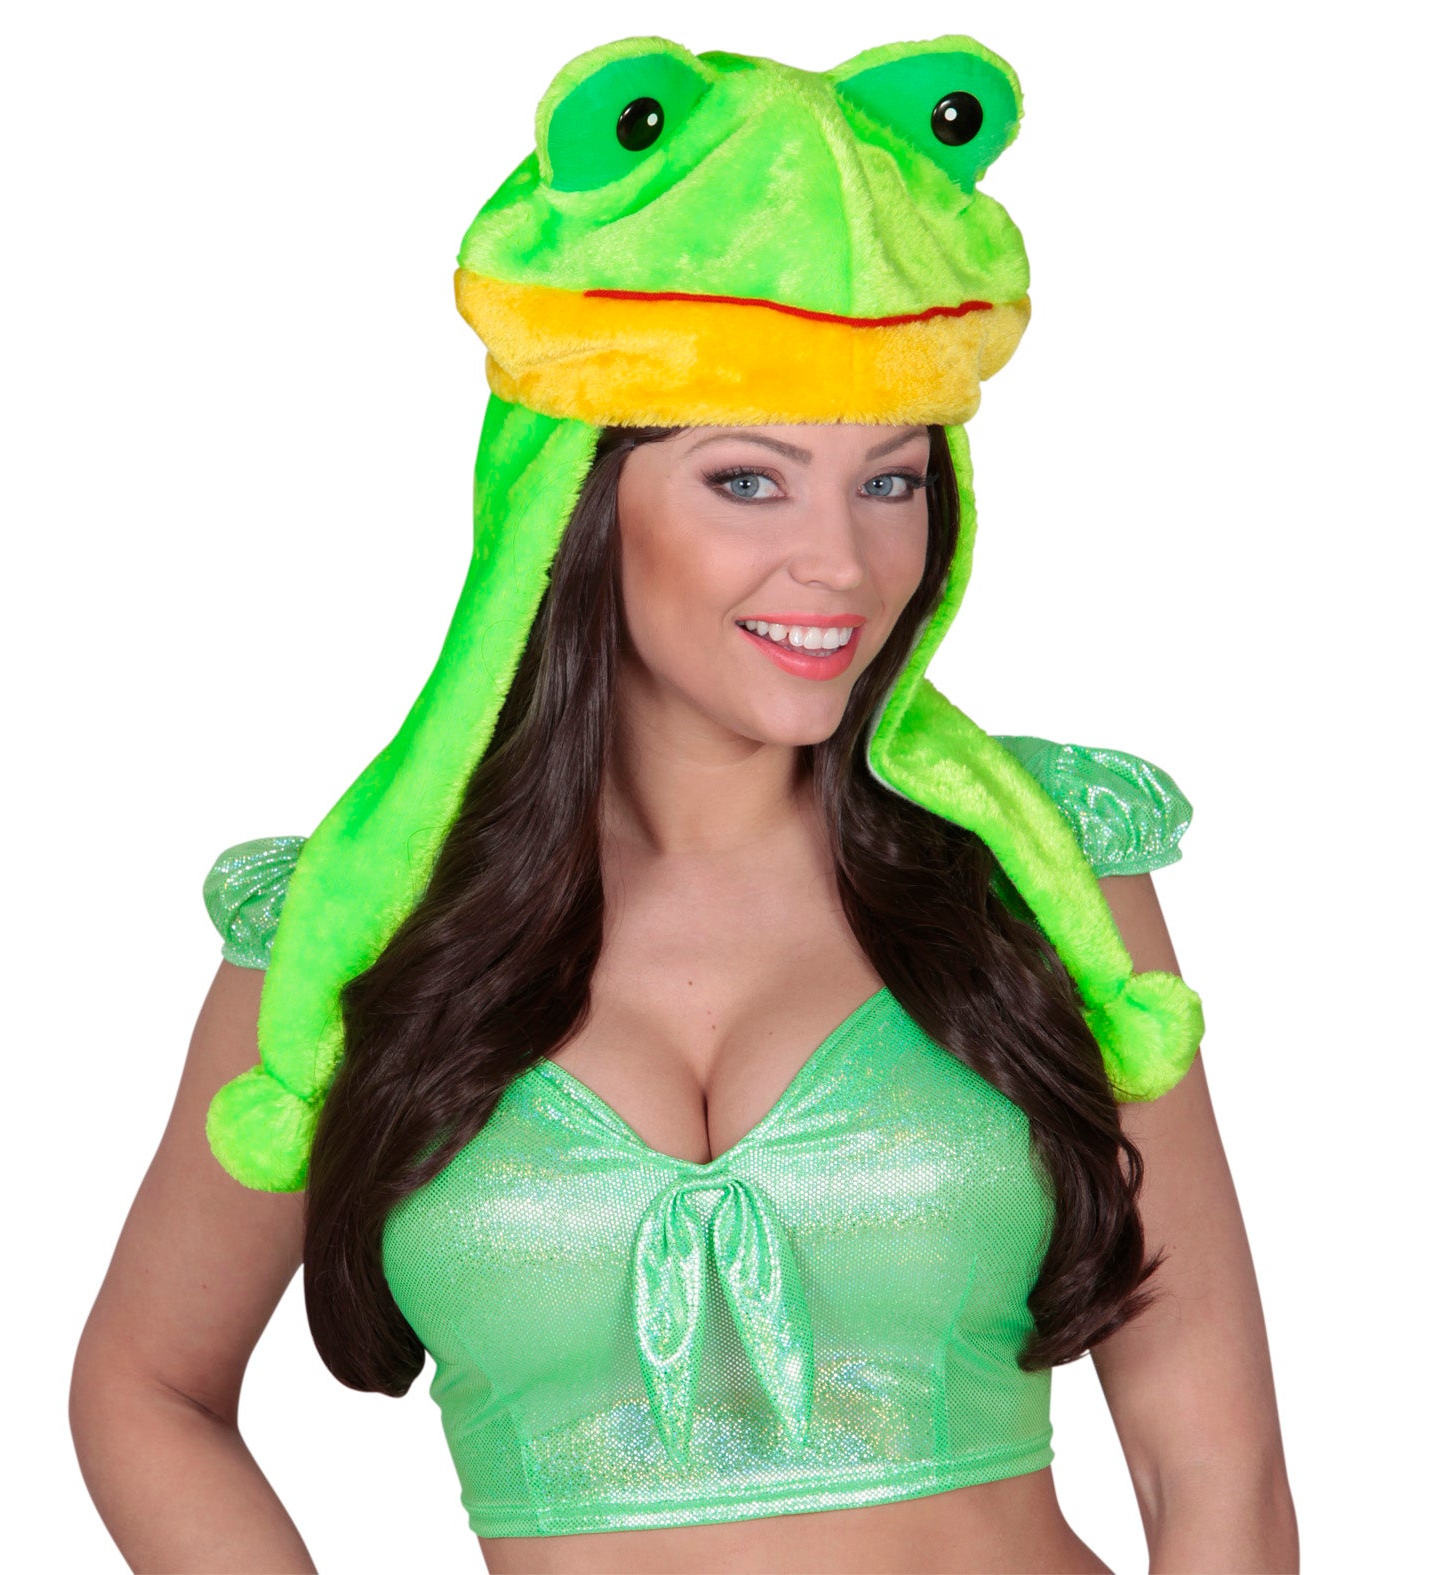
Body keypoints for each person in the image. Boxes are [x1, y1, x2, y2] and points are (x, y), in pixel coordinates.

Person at [70, 31, 1297, 1574]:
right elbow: (146, 1389)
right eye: (746, 480)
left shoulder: (1041, 871)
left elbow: (1215, 1470)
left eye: (890, 479)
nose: (840, 563)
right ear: (573, 498)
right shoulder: (352, 927)